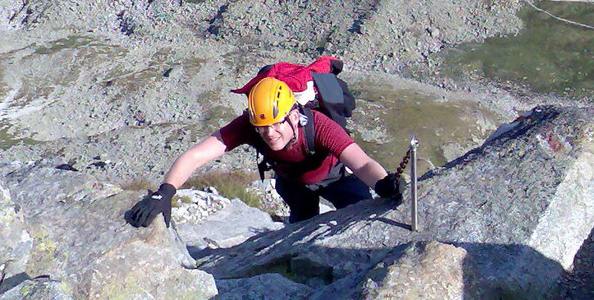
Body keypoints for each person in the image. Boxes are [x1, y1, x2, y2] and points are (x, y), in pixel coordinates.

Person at [125, 76, 403, 227]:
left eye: (276, 124)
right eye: (261, 127)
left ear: (293, 115)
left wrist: (383, 183)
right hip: (292, 183)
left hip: (336, 179)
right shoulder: (248, 125)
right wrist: (165, 192)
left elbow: (361, 162)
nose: (269, 133)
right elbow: (196, 156)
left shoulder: (320, 126)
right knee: (300, 228)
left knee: (361, 217)